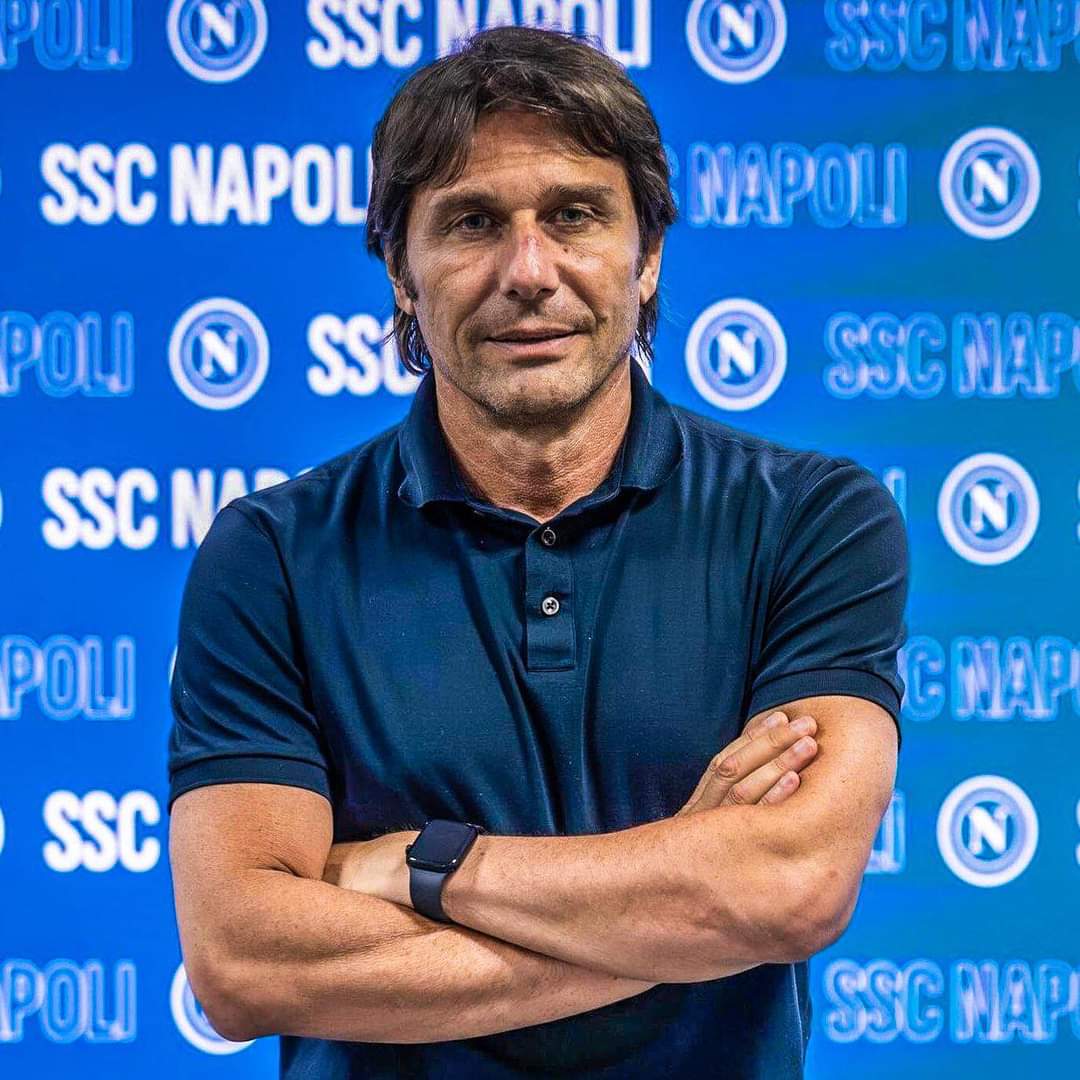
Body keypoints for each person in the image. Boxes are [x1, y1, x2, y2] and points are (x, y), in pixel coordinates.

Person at [167, 25, 908, 1079]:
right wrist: (681, 916)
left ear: (648, 257)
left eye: (574, 215)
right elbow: (245, 962)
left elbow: (788, 886)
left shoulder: (811, 519)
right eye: (472, 223)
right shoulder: (272, 556)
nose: (529, 272)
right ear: (402, 272)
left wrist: (424, 866)